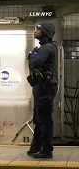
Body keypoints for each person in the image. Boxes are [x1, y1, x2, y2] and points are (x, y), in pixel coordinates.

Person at [26, 22, 58, 158]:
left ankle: (47, 149)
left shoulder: (47, 48)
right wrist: (34, 54)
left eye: (38, 29)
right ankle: (36, 146)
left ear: (45, 32)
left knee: (44, 119)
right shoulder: (43, 48)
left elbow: (34, 62)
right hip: (42, 86)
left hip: (45, 87)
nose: (35, 30)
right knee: (38, 118)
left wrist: (32, 54)